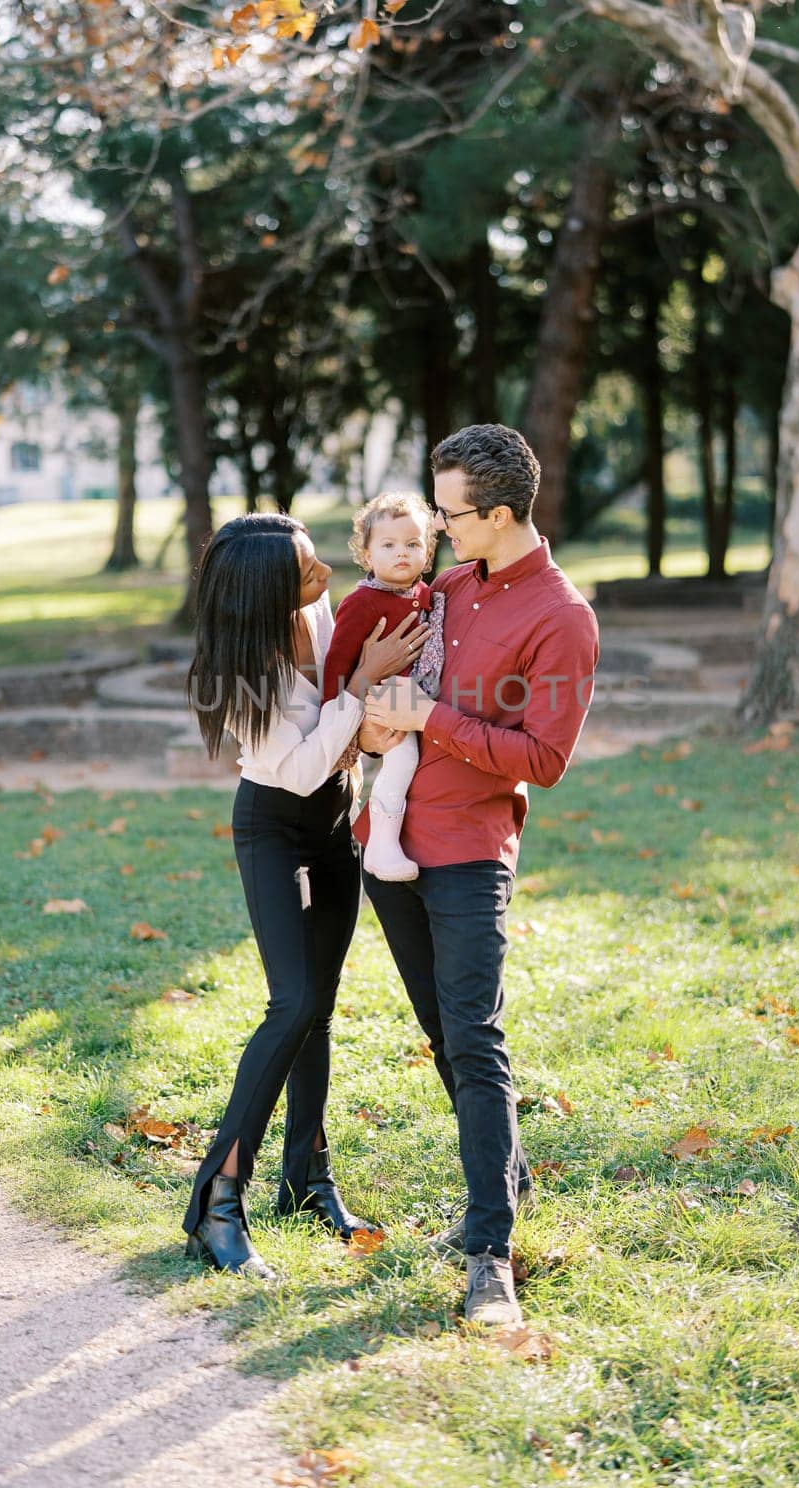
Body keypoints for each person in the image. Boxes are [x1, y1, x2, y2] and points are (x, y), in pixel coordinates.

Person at [359, 425, 599, 1328]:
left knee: (473, 1039)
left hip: (467, 853)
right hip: (389, 849)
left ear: (498, 515)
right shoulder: (449, 587)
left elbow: (544, 757)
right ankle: (509, 1178)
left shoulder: (562, 617)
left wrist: (433, 716)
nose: (439, 528)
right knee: (441, 1031)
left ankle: (489, 1253)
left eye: (452, 514)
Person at [182, 513, 429, 1278]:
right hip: (275, 826)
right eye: (304, 566)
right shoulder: (248, 668)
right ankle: (217, 1203)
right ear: (265, 590)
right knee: (289, 1002)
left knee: (317, 1005)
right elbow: (291, 767)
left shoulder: (319, 609)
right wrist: (356, 689)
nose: (324, 569)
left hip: (333, 818)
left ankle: (307, 1179)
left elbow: (338, 741)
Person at [321, 492, 446, 882]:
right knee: (403, 756)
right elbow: (338, 661)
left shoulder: (425, 595)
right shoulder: (362, 603)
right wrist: (337, 717)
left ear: (427, 553)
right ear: (367, 555)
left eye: (413, 544)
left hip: (415, 694)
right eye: (388, 545)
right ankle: (382, 845)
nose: (401, 554)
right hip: (381, 695)